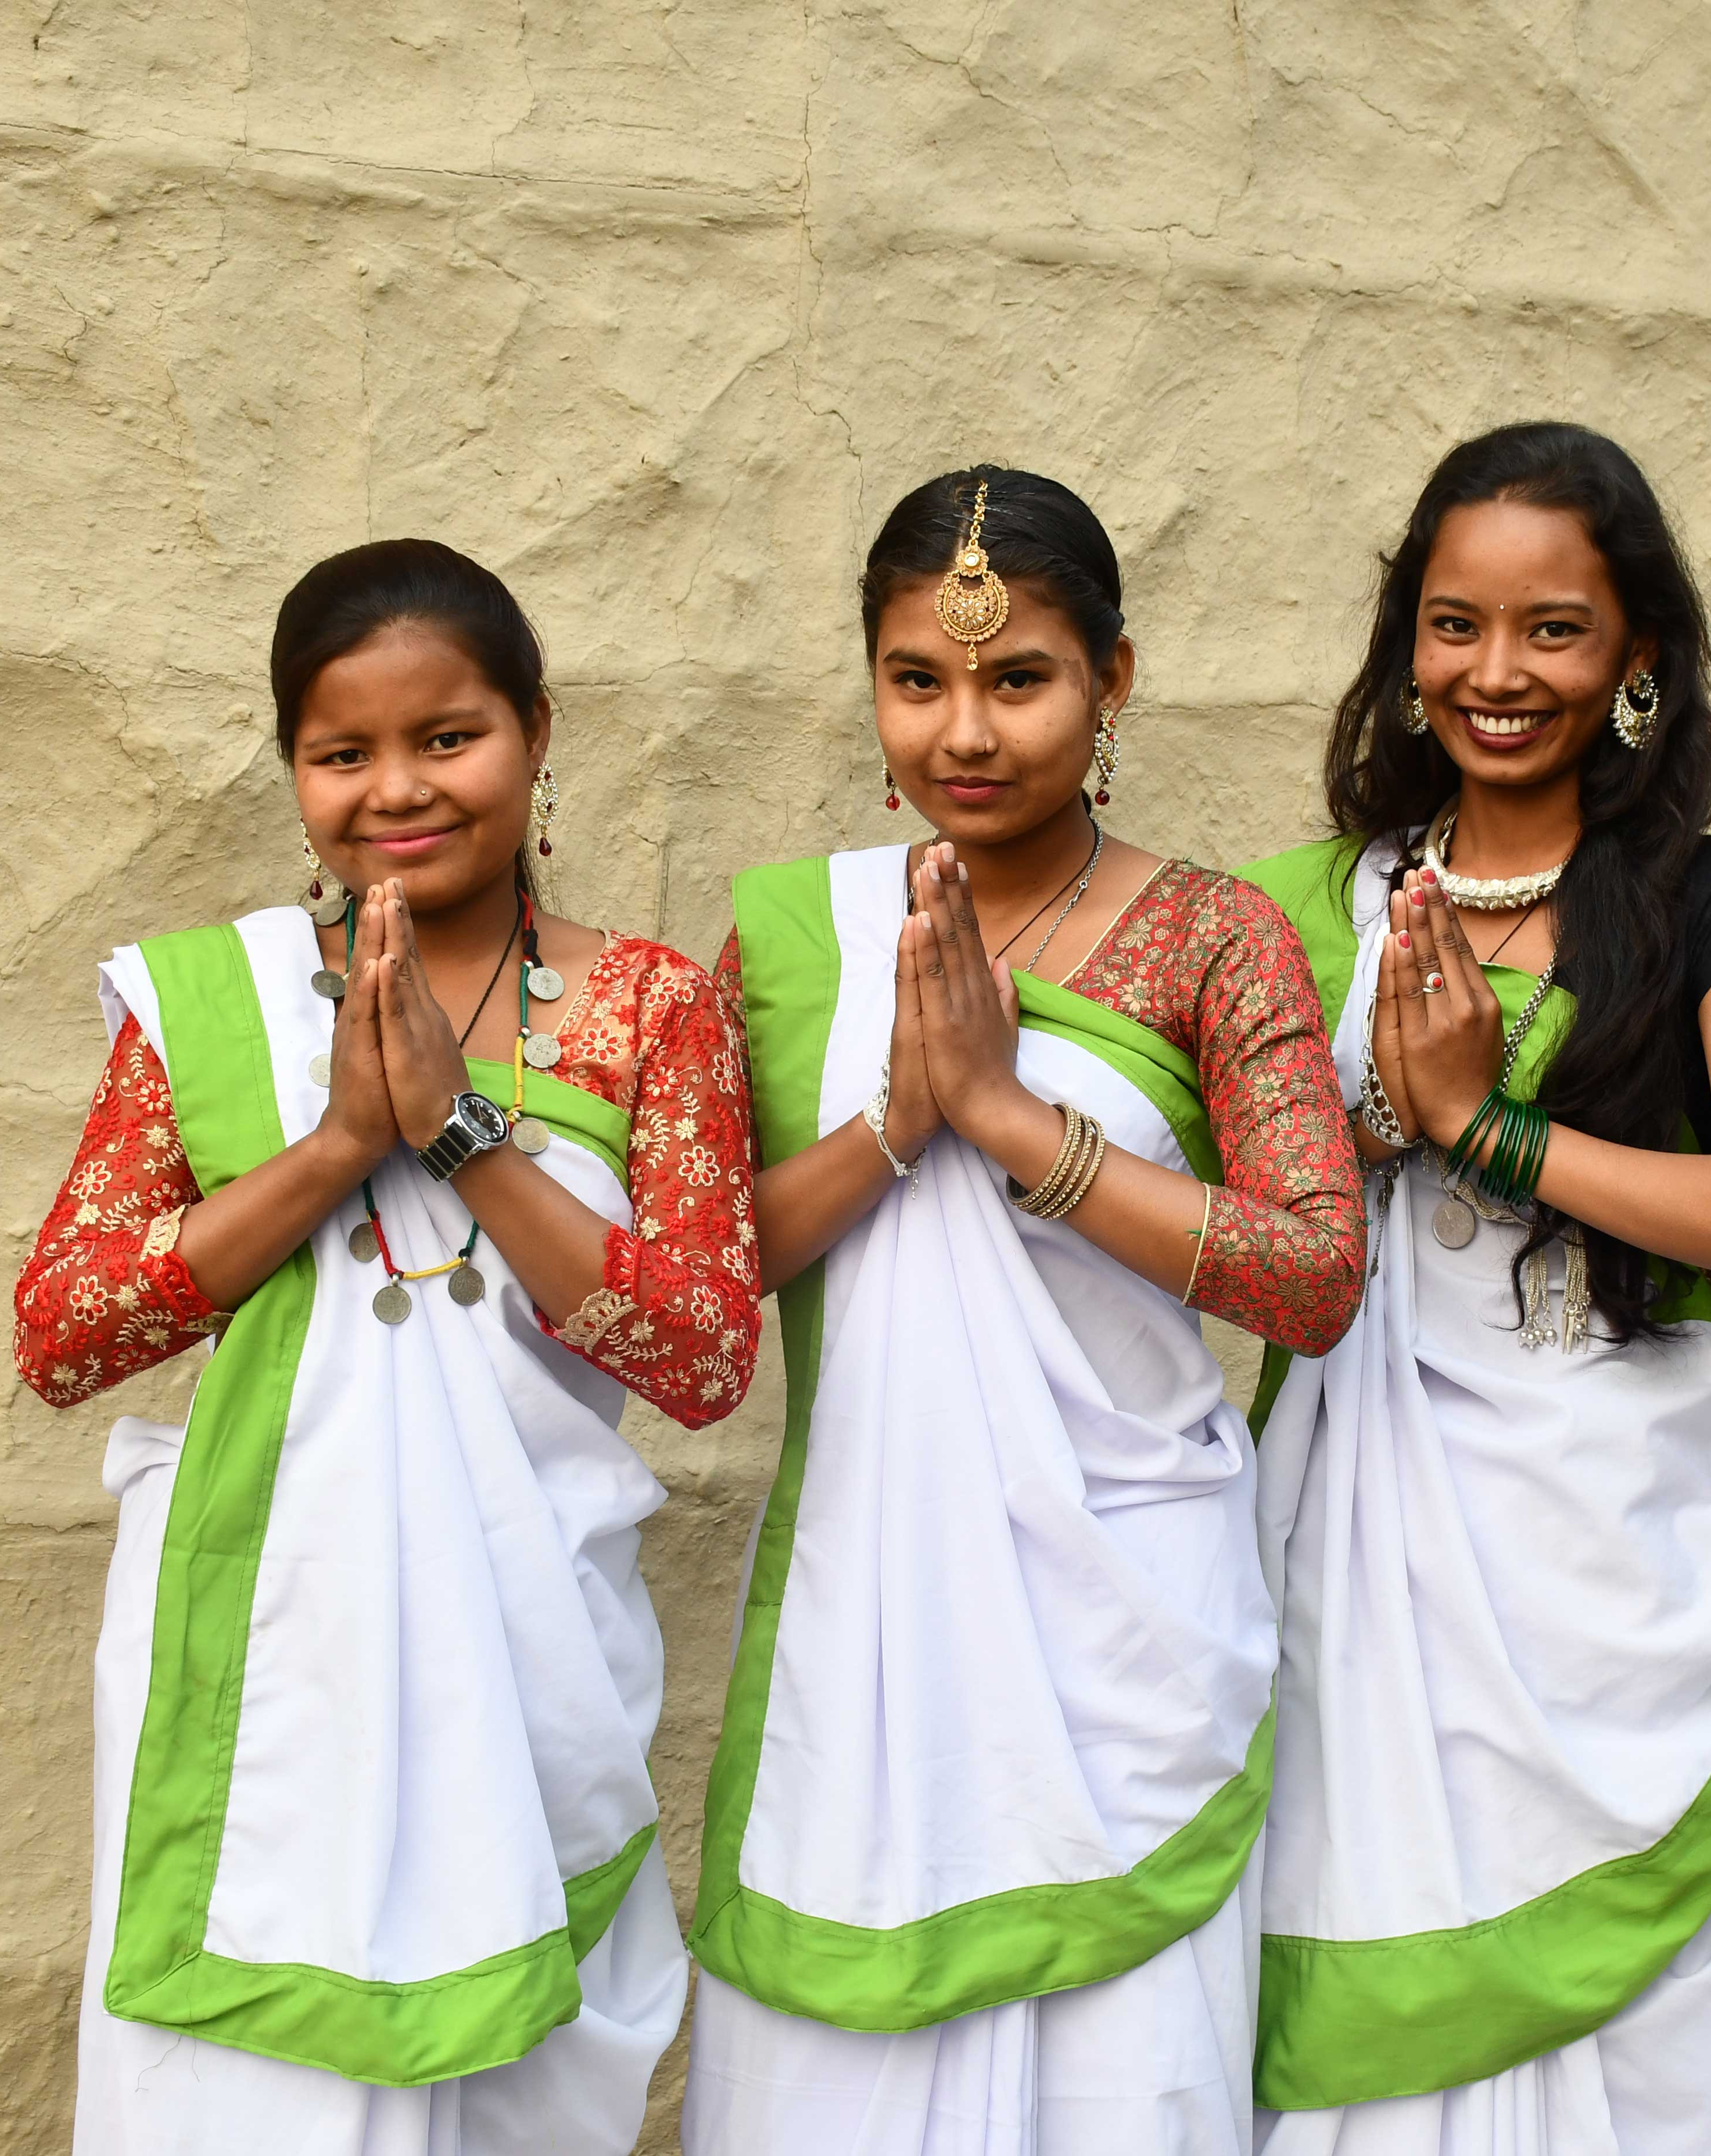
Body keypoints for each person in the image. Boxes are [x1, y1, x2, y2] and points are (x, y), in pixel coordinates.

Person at [12, 538, 759, 2154]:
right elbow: (66, 1329)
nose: (397, 790)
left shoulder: (650, 1008)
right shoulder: (219, 1002)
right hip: (270, 1653)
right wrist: (340, 1144)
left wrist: (460, 1128)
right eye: (342, 753)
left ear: (537, 731)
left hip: (529, 1642)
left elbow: (703, 1358)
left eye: (449, 738)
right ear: (295, 768)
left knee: (514, 2071)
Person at [682, 466, 1367, 2156]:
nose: (965, 732)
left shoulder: (1220, 935)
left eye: (1020, 680)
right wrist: (899, 1124)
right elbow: (699, 1288)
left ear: (1113, 681)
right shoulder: (794, 935)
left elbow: (1314, 1273)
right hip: (876, 1607)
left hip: (1128, 1623)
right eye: (919, 681)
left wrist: (1013, 1125)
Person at [1240, 420, 1711, 2153]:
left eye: (1554, 630)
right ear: (1405, 641)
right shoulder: (1315, 903)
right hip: (1357, 1525)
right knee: (1367, 1943)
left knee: (1644, 2036)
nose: (1497, 675)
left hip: (1607, 1536)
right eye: (1454, 625)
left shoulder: (1705, 899)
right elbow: (1244, 1195)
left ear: (1637, 655)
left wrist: (1483, 1132)